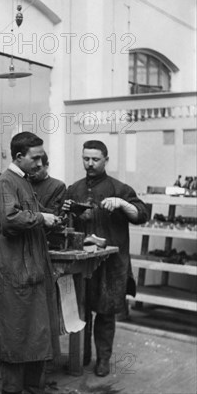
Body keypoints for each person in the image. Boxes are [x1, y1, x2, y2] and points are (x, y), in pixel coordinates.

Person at [0, 131, 61, 394]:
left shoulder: (23, 181)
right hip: (13, 270)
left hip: (29, 268)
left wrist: (49, 218)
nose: (40, 163)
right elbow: (10, 219)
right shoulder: (6, 182)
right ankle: (13, 389)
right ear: (18, 157)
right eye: (35, 158)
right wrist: (41, 218)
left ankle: (32, 387)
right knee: (14, 331)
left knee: (36, 330)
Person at [63, 140, 148, 377]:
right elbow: (63, 219)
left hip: (111, 263)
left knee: (106, 311)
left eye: (95, 159)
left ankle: (103, 360)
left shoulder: (120, 189)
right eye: (85, 158)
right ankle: (83, 356)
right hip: (82, 261)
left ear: (106, 160)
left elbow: (141, 215)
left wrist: (122, 204)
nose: (89, 164)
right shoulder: (74, 189)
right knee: (81, 311)